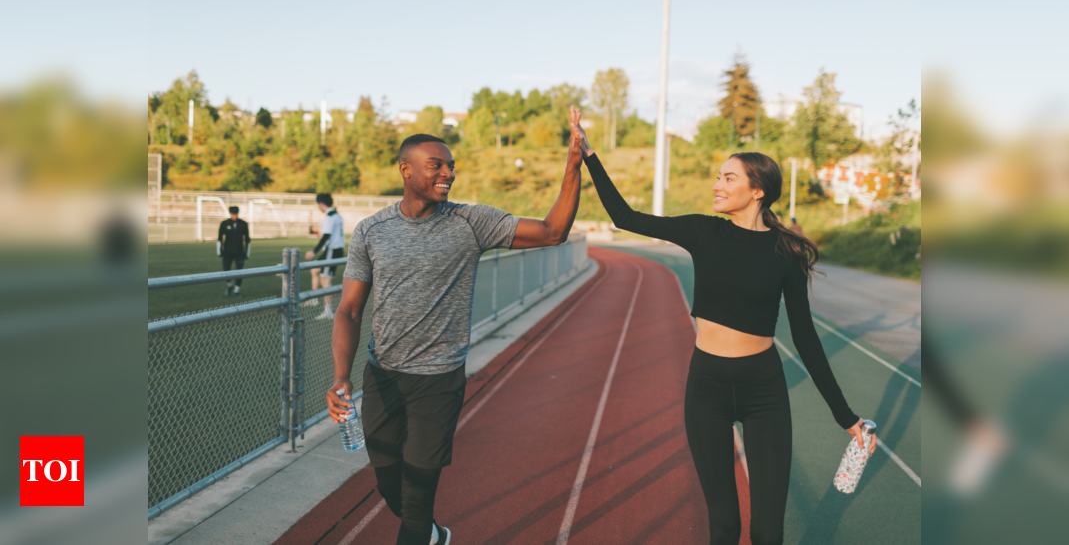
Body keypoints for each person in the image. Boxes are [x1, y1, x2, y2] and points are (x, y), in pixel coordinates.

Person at [580, 132, 876, 545]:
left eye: (728, 178)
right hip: (708, 388)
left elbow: (806, 337)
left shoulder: (785, 251)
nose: (717, 185)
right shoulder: (704, 232)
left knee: (767, 532)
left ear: (757, 191)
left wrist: (846, 416)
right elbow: (625, 218)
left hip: (765, 390)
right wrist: (590, 155)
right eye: (719, 177)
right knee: (724, 526)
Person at [325, 107, 586, 545]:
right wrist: (339, 379)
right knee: (389, 484)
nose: (448, 173)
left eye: (451, 167)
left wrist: (573, 165)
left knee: (416, 497)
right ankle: (433, 535)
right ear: (406, 170)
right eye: (437, 165)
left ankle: (421, 532)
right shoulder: (372, 231)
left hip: (438, 381)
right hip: (382, 376)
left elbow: (553, 231)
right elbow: (349, 310)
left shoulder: (471, 222)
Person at [305, 193, 345, 319]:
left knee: (326, 280)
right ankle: (315, 299)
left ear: (321, 204)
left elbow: (327, 236)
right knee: (315, 269)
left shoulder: (329, 217)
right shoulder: (337, 215)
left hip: (331, 251)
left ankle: (328, 310)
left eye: (318, 204)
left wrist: (313, 251)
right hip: (335, 249)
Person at [217, 206, 250, 297]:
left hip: (239, 252)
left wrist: (247, 253)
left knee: (239, 271)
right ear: (230, 214)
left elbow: (247, 239)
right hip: (227, 252)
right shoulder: (224, 223)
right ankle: (230, 284)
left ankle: (237, 290)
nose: (234, 216)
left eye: (235, 214)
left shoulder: (243, 224)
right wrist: (219, 251)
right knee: (225, 270)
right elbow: (220, 238)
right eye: (232, 214)